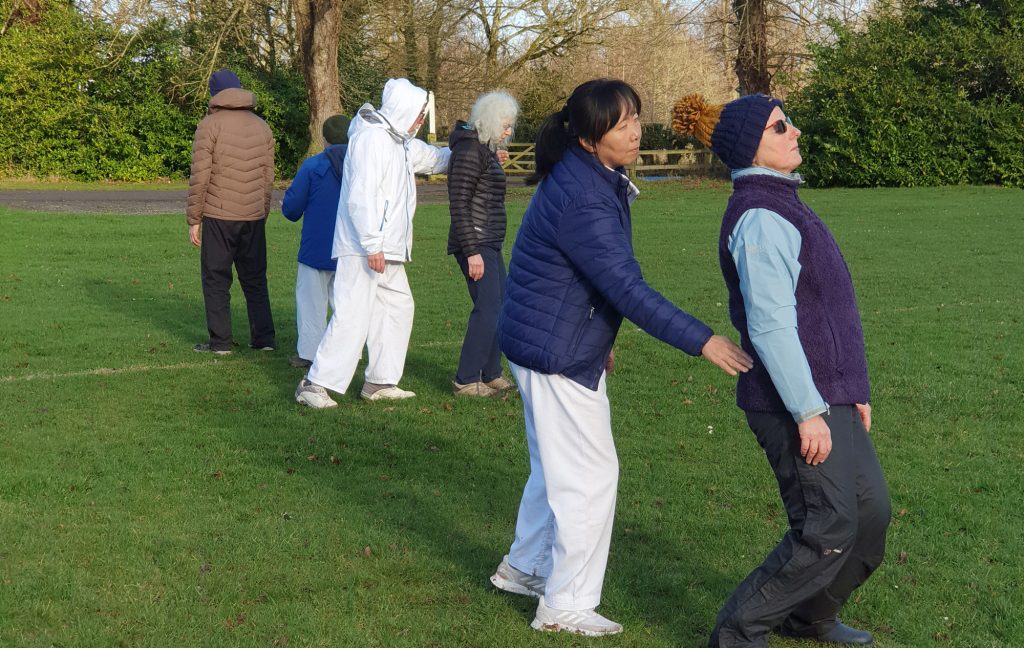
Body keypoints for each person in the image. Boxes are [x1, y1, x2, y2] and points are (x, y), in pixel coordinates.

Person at [489, 79, 753, 637]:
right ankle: (565, 605)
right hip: (553, 350)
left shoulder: (593, 177)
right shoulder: (584, 194)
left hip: (550, 340)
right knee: (589, 477)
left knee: (555, 469)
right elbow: (626, 287)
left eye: (636, 118)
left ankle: (524, 569)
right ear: (588, 139)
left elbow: (592, 280)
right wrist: (703, 339)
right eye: (621, 123)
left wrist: (601, 340)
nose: (635, 131)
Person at [672, 94, 890, 647]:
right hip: (792, 404)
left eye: (788, 121)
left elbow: (829, 311)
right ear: (753, 146)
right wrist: (809, 412)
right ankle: (738, 634)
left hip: (827, 395)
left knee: (868, 516)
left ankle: (809, 616)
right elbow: (771, 326)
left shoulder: (784, 201)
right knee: (828, 526)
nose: (794, 131)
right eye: (779, 125)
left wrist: (851, 390)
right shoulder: (761, 217)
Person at [295, 78, 451, 407]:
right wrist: (372, 244)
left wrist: (472, 148)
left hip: (386, 249)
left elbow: (434, 159)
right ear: (403, 109)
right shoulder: (371, 139)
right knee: (352, 314)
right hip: (364, 248)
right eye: (419, 114)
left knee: (397, 308)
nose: (420, 121)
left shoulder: (399, 140)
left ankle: (379, 382)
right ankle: (314, 384)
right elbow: (360, 197)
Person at [187, 68, 276, 355]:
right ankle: (264, 340)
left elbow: (200, 176)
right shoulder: (262, 126)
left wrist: (194, 219)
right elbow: (268, 176)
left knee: (215, 278)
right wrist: (262, 210)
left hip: (218, 214)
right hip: (252, 216)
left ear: (215, 94)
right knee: (255, 279)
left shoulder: (209, 125)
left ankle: (221, 342)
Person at [446, 90, 519, 397]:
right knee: (488, 308)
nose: (509, 131)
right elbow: (459, 202)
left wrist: (494, 159)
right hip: (474, 242)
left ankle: (490, 373)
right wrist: (472, 250)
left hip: (488, 240)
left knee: (501, 306)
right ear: (489, 120)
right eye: (505, 124)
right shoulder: (469, 151)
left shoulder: (482, 150)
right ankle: (466, 379)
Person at [281, 114, 351, 369]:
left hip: (317, 245)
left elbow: (291, 209)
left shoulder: (313, 166)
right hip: (351, 247)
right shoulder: (364, 165)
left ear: (324, 139)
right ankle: (348, 351)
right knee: (346, 304)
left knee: (311, 301)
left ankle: (310, 353)